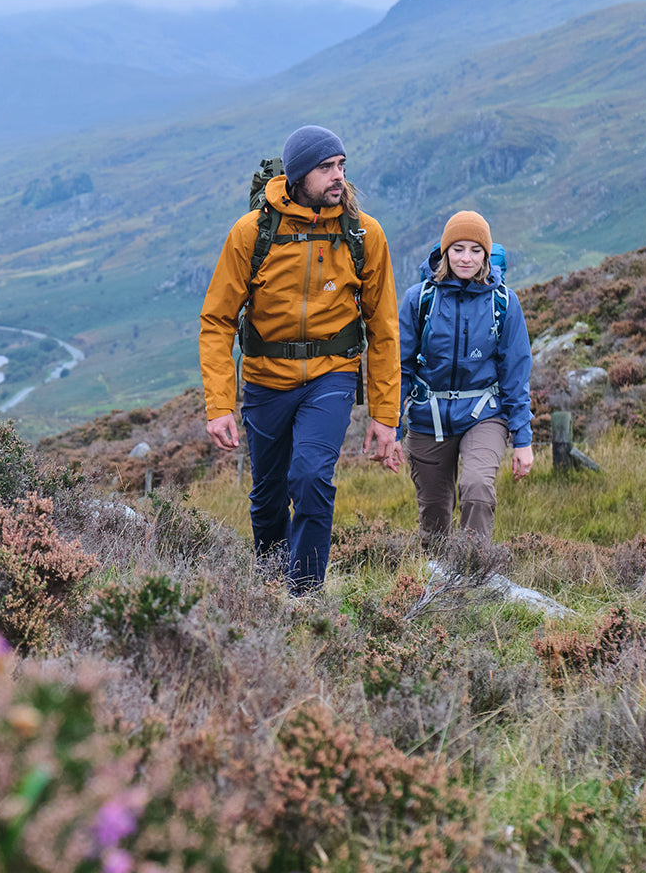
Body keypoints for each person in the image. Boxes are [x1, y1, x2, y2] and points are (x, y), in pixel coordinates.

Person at [199, 125, 401, 595]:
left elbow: (385, 331)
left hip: (331, 377)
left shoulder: (364, 234)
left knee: (311, 476)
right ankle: (270, 588)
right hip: (266, 381)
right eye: (326, 168)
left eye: (342, 167)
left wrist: (386, 416)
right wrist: (219, 405)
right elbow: (217, 322)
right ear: (297, 175)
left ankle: (303, 598)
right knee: (268, 497)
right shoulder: (252, 234)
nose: (339, 178)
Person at [386, 210, 533, 548]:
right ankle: (439, 586)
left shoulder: (504, 304)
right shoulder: (419, 299)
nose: (466, 258)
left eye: (475, 250)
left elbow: (516, 375)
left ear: (486, 254)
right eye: (458, 249)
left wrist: (523, 440)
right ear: (445, 251)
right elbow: (400, 370)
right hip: (428, 417)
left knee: (477, 488)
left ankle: (475, 574)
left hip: (485, 414)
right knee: (435, 513)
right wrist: (392, 429)